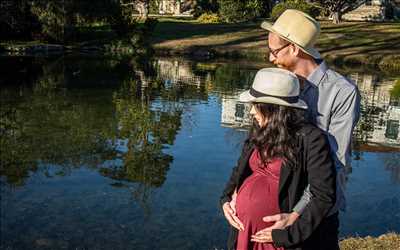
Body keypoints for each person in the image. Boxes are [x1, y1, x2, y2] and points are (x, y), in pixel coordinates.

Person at [223, 9, 360, 249]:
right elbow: (255, 144)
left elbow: (336, 165)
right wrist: (234, 192)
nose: (270, 58)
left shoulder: (341, 92)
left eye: (274, 51)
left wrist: (295, 215)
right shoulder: (279, 83)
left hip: (314, 216)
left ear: (294, 49)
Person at [220, 67, 336, 250]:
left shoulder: (310, 139)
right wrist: (226, 199)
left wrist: (287, 234)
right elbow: (240, 170)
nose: (251, 112)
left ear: (273, 109)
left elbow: (323, 195)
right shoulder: (259, 131)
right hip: (244, 231)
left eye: (255, 105)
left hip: (276, 240)